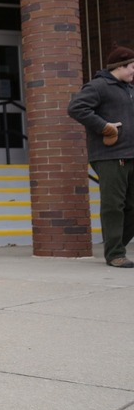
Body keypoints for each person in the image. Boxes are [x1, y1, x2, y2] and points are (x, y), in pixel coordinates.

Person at [68, 45, 134, 268]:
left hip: (131, 154)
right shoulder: (99, 86)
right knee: (113, 205)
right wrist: (105, 126)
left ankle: (115, 245)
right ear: (120, 66)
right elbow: (76, 107)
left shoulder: (128, 88)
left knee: (130, 206)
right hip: (110, 156)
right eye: (133, 67)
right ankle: (115, 254)